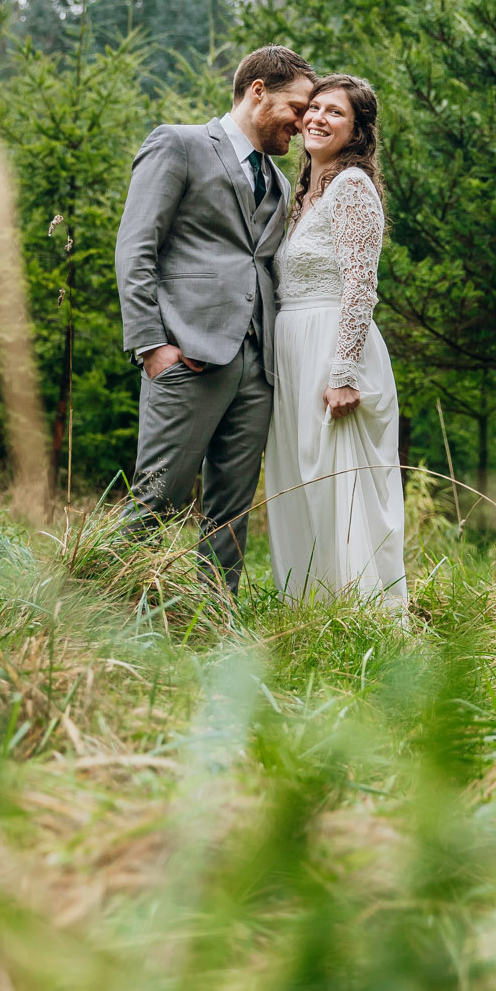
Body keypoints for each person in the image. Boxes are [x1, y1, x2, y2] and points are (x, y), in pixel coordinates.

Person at [114, 45, 314, 591]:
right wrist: (151, 345)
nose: (303, 123)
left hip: (256, 365)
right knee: (157, 497)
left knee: (229, 514)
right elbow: (136, 248)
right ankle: (101, 613)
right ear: (258, 92)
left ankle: (214, 621)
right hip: (186, 354)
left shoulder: (278, 179)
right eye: (296, 108)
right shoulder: (177, 144)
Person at [264, 74, 408, 609]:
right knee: (301, 482)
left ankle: (364, 614)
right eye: (314, 108)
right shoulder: (303, 195)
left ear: (358, 131)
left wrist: (344, 372)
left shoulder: (352, 187)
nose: (318, 119)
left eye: (336, 113)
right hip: (293, 354)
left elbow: (360, 285)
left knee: (339, 485)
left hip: (333, 351)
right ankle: (309, 609)